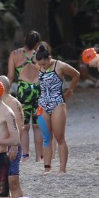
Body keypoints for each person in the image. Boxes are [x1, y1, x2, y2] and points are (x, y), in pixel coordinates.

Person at [34, 44, 80, 172]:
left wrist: (70, 89)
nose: (42, 66)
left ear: (49, 58)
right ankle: (47, 167)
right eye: (40, 64)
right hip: (43, 103)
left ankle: (62, 168)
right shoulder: (38, 64)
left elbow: (76, 74)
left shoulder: (60, 66)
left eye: (44, 64)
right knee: (46, 137)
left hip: (57, 102)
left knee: (59, 137)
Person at [7, 31, 43, 160]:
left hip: (24, 90)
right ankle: (39, 156)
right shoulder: (40, 53)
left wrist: (4, 92)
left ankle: (26, 155)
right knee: (37, 125)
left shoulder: (15, 54)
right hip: (38, 89)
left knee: (24, 125)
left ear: (24, 40)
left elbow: (10, 76)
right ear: (37, 43)